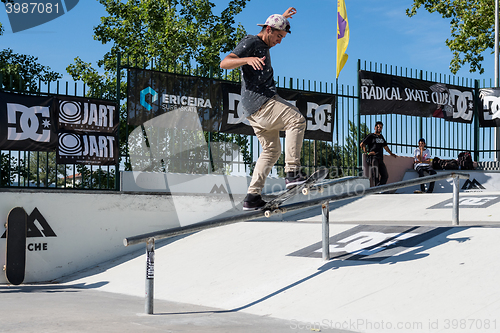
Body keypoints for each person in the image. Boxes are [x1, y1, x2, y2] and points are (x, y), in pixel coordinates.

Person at [220, 7, 307, 211]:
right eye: (278, 36)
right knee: (297, 120)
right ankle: (293, 173)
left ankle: (252, 196)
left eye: (282, 37)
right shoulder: (252, 41)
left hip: (252, 109)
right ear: (268, 30)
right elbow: (225, 63)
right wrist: (247, 59)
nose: (279, 41)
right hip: (262, 101)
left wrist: (283, 18)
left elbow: (274, 24)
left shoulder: (265, 39)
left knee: (271, 150)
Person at [360, 121, 397, 187]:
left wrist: (391, 153)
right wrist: (367, 153)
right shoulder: (371, 136)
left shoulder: (381, 137)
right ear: (375, 127)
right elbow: (362, 144)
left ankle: (380, 188)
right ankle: (378, 189)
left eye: (380, 127)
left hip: (380, 158)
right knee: (375, 175)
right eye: (378, 127)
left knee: (385, 175)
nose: (379, 128)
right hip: (373, 158)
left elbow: (385, 146)